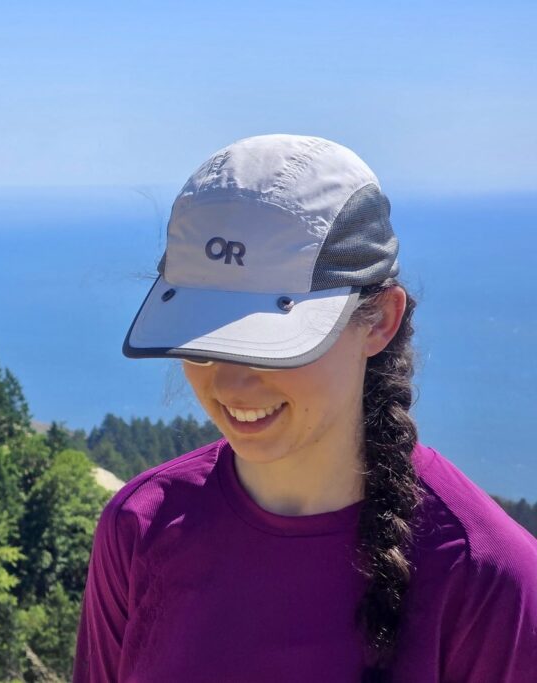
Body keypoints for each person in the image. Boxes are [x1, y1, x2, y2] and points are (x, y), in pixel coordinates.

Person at [72, 134, 537, 682]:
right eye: (199, 339)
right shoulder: (139, 527)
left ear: (380, 321)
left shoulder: (490, 577)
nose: (231, 383)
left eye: (271, 344)